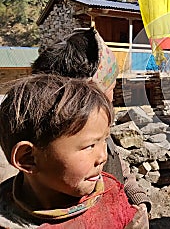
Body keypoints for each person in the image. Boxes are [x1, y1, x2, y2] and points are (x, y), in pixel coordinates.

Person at [31, 28, 151, 222]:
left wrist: (138, 200)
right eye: (110, 89)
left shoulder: (98, 131)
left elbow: (118, 170)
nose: (112, 98)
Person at [0, 74, 142, 228]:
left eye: (104, 140)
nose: (102, 157)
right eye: (89, 146)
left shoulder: (109, 191)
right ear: (28, 158)